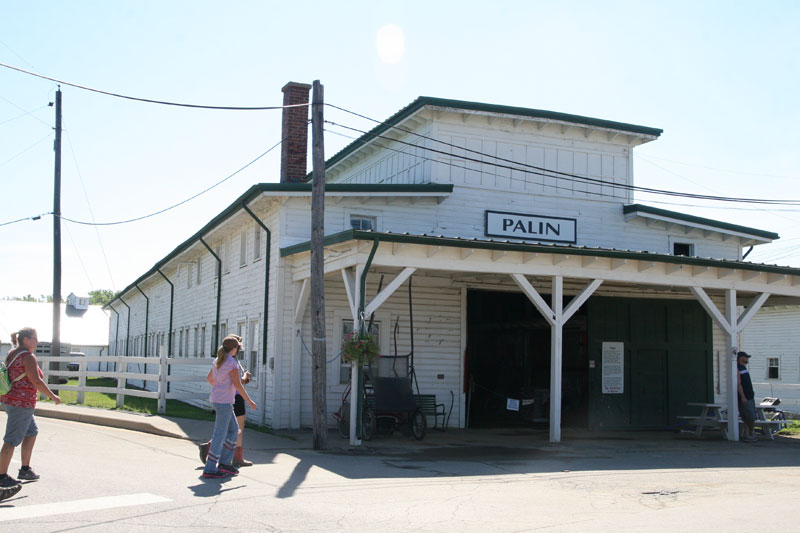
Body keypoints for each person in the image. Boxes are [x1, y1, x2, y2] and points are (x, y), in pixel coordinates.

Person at [0, 327, 61, 500]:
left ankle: (25, 469)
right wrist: (52, 396)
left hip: (10, 400)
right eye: (35, 338)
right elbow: (36, 380)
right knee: (11, 441)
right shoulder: (27, 356)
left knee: (31, 432)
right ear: (26, 339)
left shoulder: (13, 353)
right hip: (21, 404)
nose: (37, 341)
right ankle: (2, 477)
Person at [201, 335, 257, 478]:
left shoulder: (217, 361)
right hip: (224, 402)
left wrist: (222, 389)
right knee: (220, 435)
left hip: (220, 400)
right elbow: (237, 384)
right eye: (238, 348)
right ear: (233, 349)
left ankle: (225, 463)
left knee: (234, 431)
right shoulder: (231, 363)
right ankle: (210, 469)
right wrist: (250, 402)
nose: (238, 350)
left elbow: (210, 379)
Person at [737, 351, 758, 443]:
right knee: (750, 417)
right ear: (741, 357)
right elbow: (739, 384)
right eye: (746, 357)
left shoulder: (743, 368)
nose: (747, 359)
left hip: (750, 395)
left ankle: (747, 434)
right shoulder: (737, 368)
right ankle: (752, 431)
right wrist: (743, 397)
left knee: (747, 417)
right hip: (745, 397)